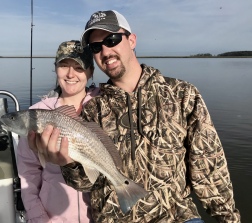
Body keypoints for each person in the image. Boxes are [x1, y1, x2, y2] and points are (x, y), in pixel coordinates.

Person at [28, 11, 241, 223]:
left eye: (112, 39)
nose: (105, 51)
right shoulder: (92, 109)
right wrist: (68, 164)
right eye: (96, 46)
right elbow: (86, 184)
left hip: (178, 217)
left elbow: (210, 170)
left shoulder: (182, 94)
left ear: (131, 40)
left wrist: (229, 218)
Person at [17, 40, 99, 223]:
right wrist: (39, 218)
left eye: (79, 67)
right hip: (54, 217)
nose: (70, 74)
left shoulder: (106, 106)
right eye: (63, 65)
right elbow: (28, 174)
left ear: (90, 72)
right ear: (55, 69)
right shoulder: (35, 114)